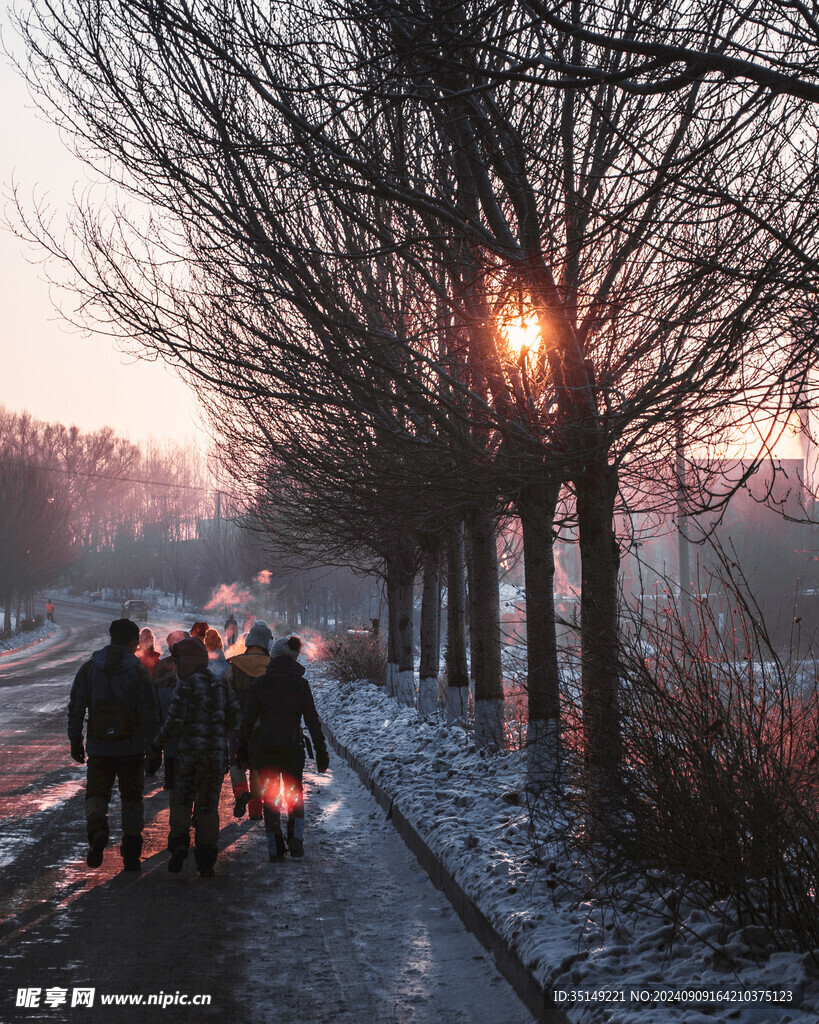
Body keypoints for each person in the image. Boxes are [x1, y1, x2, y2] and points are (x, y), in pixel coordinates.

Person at [67, 618, 160, 872]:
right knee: (131, 799)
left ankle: (97, 829)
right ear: (133, 642)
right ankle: (131, 854)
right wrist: (154, 746)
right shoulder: (139, 672)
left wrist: (75, 738)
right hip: (131, 748)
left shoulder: (90, 668)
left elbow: (76, 705)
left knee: (97, 794)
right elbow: (149, 712)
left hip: (99, 748)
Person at [151, 636, 240, 877]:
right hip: (214, 758)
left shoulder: (185, 686)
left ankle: (179, 844)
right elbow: (234, 719)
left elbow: (173, 723)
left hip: (187, 757)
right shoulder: (221, 685)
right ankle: (206, 858)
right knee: (208, 806)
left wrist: (156, 745)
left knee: (181, 800)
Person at [237, 635, 329, 861]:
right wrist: (320, 749)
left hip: (265, 748)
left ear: (274, 657)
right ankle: (296, 840)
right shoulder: (300, 684)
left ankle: (275, 847)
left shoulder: (260, 684)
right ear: (293, 657)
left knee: (271, 797)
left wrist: (242, 749)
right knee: (294, 794)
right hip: (292, 747)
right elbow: (312, 719)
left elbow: (247, 721)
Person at [227, 620, 273, 819]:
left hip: (237, 724)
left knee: (236, 762)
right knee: (257, 767)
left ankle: (241, 793)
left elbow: (226, 694)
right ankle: (255, 812)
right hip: (264, 727)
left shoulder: (235, 664)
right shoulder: (272, 667)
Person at [154, 629, 188, 790]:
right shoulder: (165, 664)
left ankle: (172, 781)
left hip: (170, 711)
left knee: (171, 747)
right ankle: (172, 781)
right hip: (170, 709)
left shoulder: (166, 664)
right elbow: (156, 683)